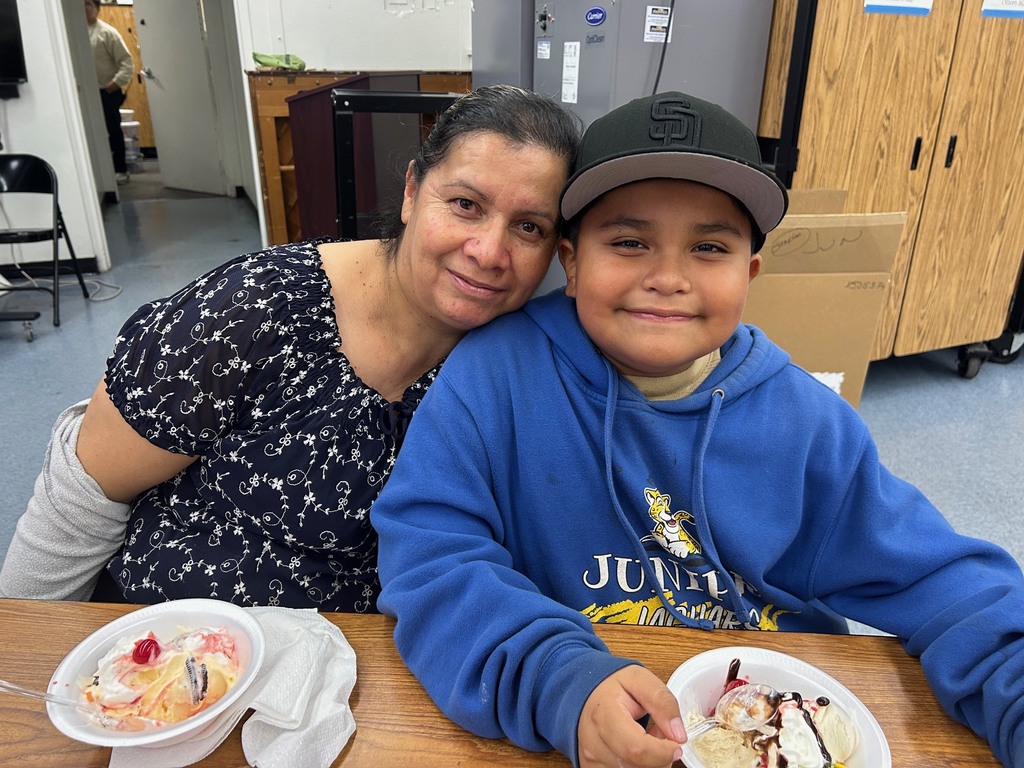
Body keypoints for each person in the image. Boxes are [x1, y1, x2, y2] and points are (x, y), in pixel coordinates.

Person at [371, 91, 1024, 768]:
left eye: (709, 247)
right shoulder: (493, 379)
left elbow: (951, 586)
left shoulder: (809, 424)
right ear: (571, 261)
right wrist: (554, 677)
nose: (667, 277)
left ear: (750, 273)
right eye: (629, 242)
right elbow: (433, 559)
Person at [0, 84, 580, 610]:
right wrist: (20, 673)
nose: (489, 250)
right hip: (175, 663)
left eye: (529, 226)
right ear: (410, 193)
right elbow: (78, 499)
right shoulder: (254, 310)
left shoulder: (516, 363)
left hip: (368, 685)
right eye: (464, 205)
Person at [85, 0, 134, 184]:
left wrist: (113, 85)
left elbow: (127, 63)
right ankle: (97, 172)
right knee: (91, 132)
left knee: (112, 131)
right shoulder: (72, 35)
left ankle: (120, 170)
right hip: (85, 93)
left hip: (107, 92)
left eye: (88, 4)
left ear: (97, 8)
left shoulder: (107, 33)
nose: (84, 8)